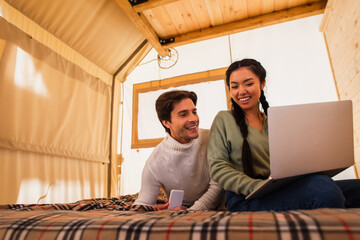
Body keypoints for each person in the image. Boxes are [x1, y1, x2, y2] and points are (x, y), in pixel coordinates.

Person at [207, 58, 360, 212]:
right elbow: (217, 167)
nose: (241, 91)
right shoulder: (224, 119)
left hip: (279, 187)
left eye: (248, 83)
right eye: (234, 86)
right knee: (324, 191)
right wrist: (256, 186)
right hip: (245, 197)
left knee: (352, 188)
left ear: (262, 84)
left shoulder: (275, 121)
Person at [133, 90, 224, 210]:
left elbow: (218, 185)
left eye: (194, 112)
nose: (194, 119)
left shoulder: (212, 138)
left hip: (221, 203)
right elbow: (142, 204)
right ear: (166, 123)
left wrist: (191, 212)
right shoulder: (154, 163)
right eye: (183, 114)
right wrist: (156, 211)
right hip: (187, 209)